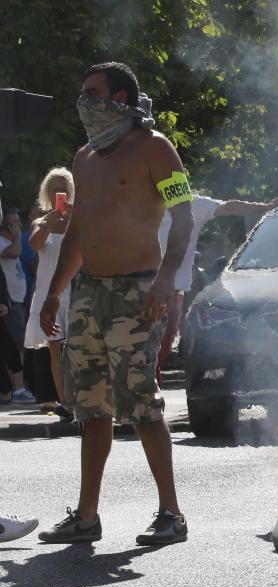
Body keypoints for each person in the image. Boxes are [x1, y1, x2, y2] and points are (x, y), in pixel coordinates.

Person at [36, 61, 193, 545]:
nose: (84, 100)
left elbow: (184, 217)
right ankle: (87, 516)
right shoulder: (85, 158)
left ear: (119, 99)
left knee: (143, 404)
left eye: (92, 92)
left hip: (138, 293)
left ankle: (171, 513)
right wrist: (55, 292)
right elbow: (77, 233)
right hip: (89, 293)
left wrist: (165, 281)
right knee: (91, 409)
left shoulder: (156, 149)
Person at [156, 194, 278, 377]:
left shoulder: (193, 204)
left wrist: (264, 207)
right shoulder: (138, 202)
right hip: (138, 287)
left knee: (155, 356)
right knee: (141, 354)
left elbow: (230, 206)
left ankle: (147, 399)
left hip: (174, 290)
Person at [25, 167, 74, 419]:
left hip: (75, 291)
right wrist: (48, 224)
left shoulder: (79, 219)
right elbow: (34, 245)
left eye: (64, 187)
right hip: (48, 294)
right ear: (48, 192)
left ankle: (86, 399)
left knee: (81, 347)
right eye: (55, 188)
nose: (60, 192)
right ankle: (65, 402)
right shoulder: (41, 220)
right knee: (55, 349)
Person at [0, 208, 36, 404]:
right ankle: (18, 388)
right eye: (15, 222)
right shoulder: (6, 243)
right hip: (10, 302)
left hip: (19, 300)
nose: (19, 226)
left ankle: (20, 386)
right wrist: (16, 237)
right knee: (16, 345)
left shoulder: (11, 241)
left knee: (20, 344)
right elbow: (13, 254)